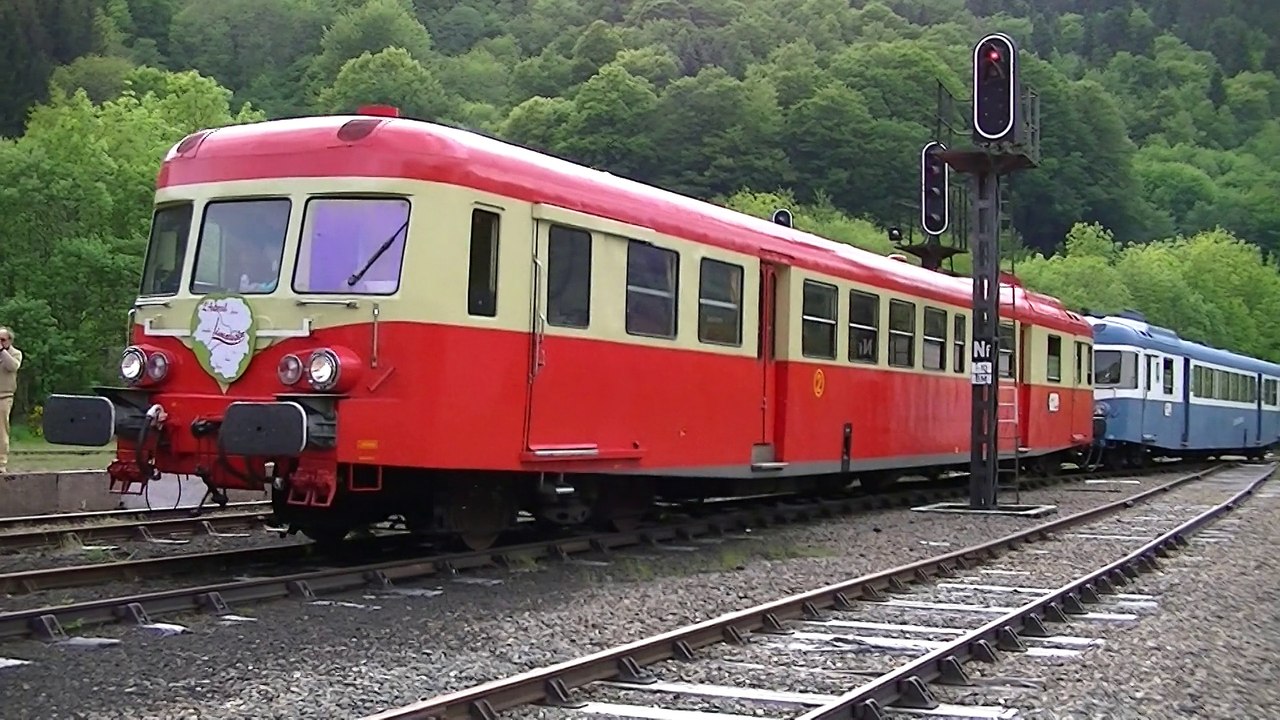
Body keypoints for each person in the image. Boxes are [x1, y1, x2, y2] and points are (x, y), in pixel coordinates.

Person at [0, 326, 22, 475]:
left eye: (2, 339)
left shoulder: (15, 354)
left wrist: (2, 351)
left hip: (4, 396)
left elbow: (13, 367)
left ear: (9, 340)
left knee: (1, 431)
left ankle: (1, 464)